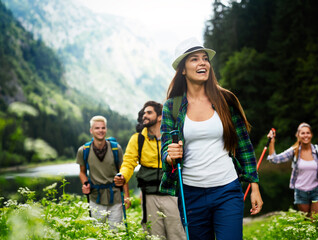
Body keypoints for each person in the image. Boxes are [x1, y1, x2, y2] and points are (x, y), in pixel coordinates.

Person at [160, 37, 263, 240]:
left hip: (227, 190)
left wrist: (255, 187)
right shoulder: (171, 106)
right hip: (190, 193)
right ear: (182, 69)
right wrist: (169, 156)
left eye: (205, 58)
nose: (202, 63)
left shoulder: (226, 100)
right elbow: (165, 150)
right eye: (194, 59)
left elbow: (244, 146)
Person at [114, 101, 186, 240]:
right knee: (154, 235)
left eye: (149, 112)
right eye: (144, 113)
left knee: (177, 233)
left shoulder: (172, 137)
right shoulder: (138, 138)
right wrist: (123, 176)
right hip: (149, 195)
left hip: (172, 193)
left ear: (160, 117)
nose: (144, 116)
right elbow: (129, 161)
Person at [76, 115, 130, 229]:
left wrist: (127, 196)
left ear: (106, 129)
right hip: (96, 198)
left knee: (115, 233)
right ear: (91, 131)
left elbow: (123, 173)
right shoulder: (83, 150)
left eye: (103, 128)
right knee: (97, 232)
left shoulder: (116, 149)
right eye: (97, 128)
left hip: (115, 198)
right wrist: (85, 184)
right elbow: (82, 172)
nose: (100, 131)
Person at [267, 122, 318, 217]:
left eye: (308, 133)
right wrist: (272, 142)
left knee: (317, 220)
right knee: (307, 221)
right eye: (303, 133)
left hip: (317, 190)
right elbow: (274, 159)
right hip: (300, 192)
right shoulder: (294, 151)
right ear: (298, 135)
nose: (306, 135)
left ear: (311, 134)